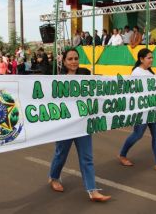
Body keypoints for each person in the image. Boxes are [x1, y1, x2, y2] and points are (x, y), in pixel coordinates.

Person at [48, 49, 111, 202]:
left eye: (76, 58)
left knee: (87, 158)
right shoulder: (58, 80)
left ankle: (92, 191)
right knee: (61, 154)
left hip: (83, 124)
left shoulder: (86, 75)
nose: (74, 61)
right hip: (65, 126)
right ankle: (54, 177)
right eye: (70, 59)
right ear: (64, 62)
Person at [118, 48, 156, 173]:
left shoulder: (149, 72)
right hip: (142, 111)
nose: (151, 60)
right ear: (141, 59)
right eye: (149, 58)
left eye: (152, 57)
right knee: (137, 135)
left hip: (154, 109)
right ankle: (122, 155)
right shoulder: (137, 73)